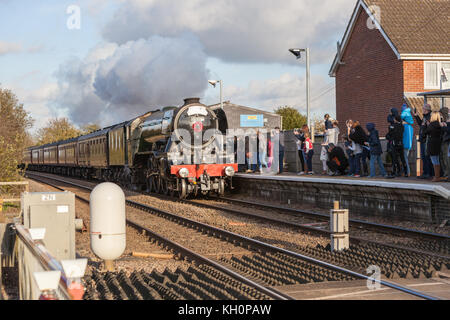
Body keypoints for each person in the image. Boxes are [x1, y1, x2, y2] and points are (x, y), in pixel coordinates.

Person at [413, 104, 433, 179]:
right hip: (422, 139)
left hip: (426, 139)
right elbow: (421, 125)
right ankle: (425, 172)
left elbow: (428, 128)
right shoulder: (425, 117)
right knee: (423, 157)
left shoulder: (429, 117)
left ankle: (428, 173)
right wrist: (416, 116)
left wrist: (424, 132)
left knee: (426, 157)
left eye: (423, 109)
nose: (422, 110)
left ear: (427, 110)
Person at [425, 111, 444, 182]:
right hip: (438, 142)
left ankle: (436, 176)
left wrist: (426, 125)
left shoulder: (431, 124)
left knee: (434, 160)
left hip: (432, 143)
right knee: (437, 159)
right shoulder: (439, 124)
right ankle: (437, 176)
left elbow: (425, 132)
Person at [401, 103, 414, 177]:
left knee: (405, 158)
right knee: (405, 158)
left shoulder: (405, 126)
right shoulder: (410, 127)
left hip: (405, 144)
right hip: (409, 144)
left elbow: (404, 136)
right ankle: (405, 172)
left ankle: (407, 172)